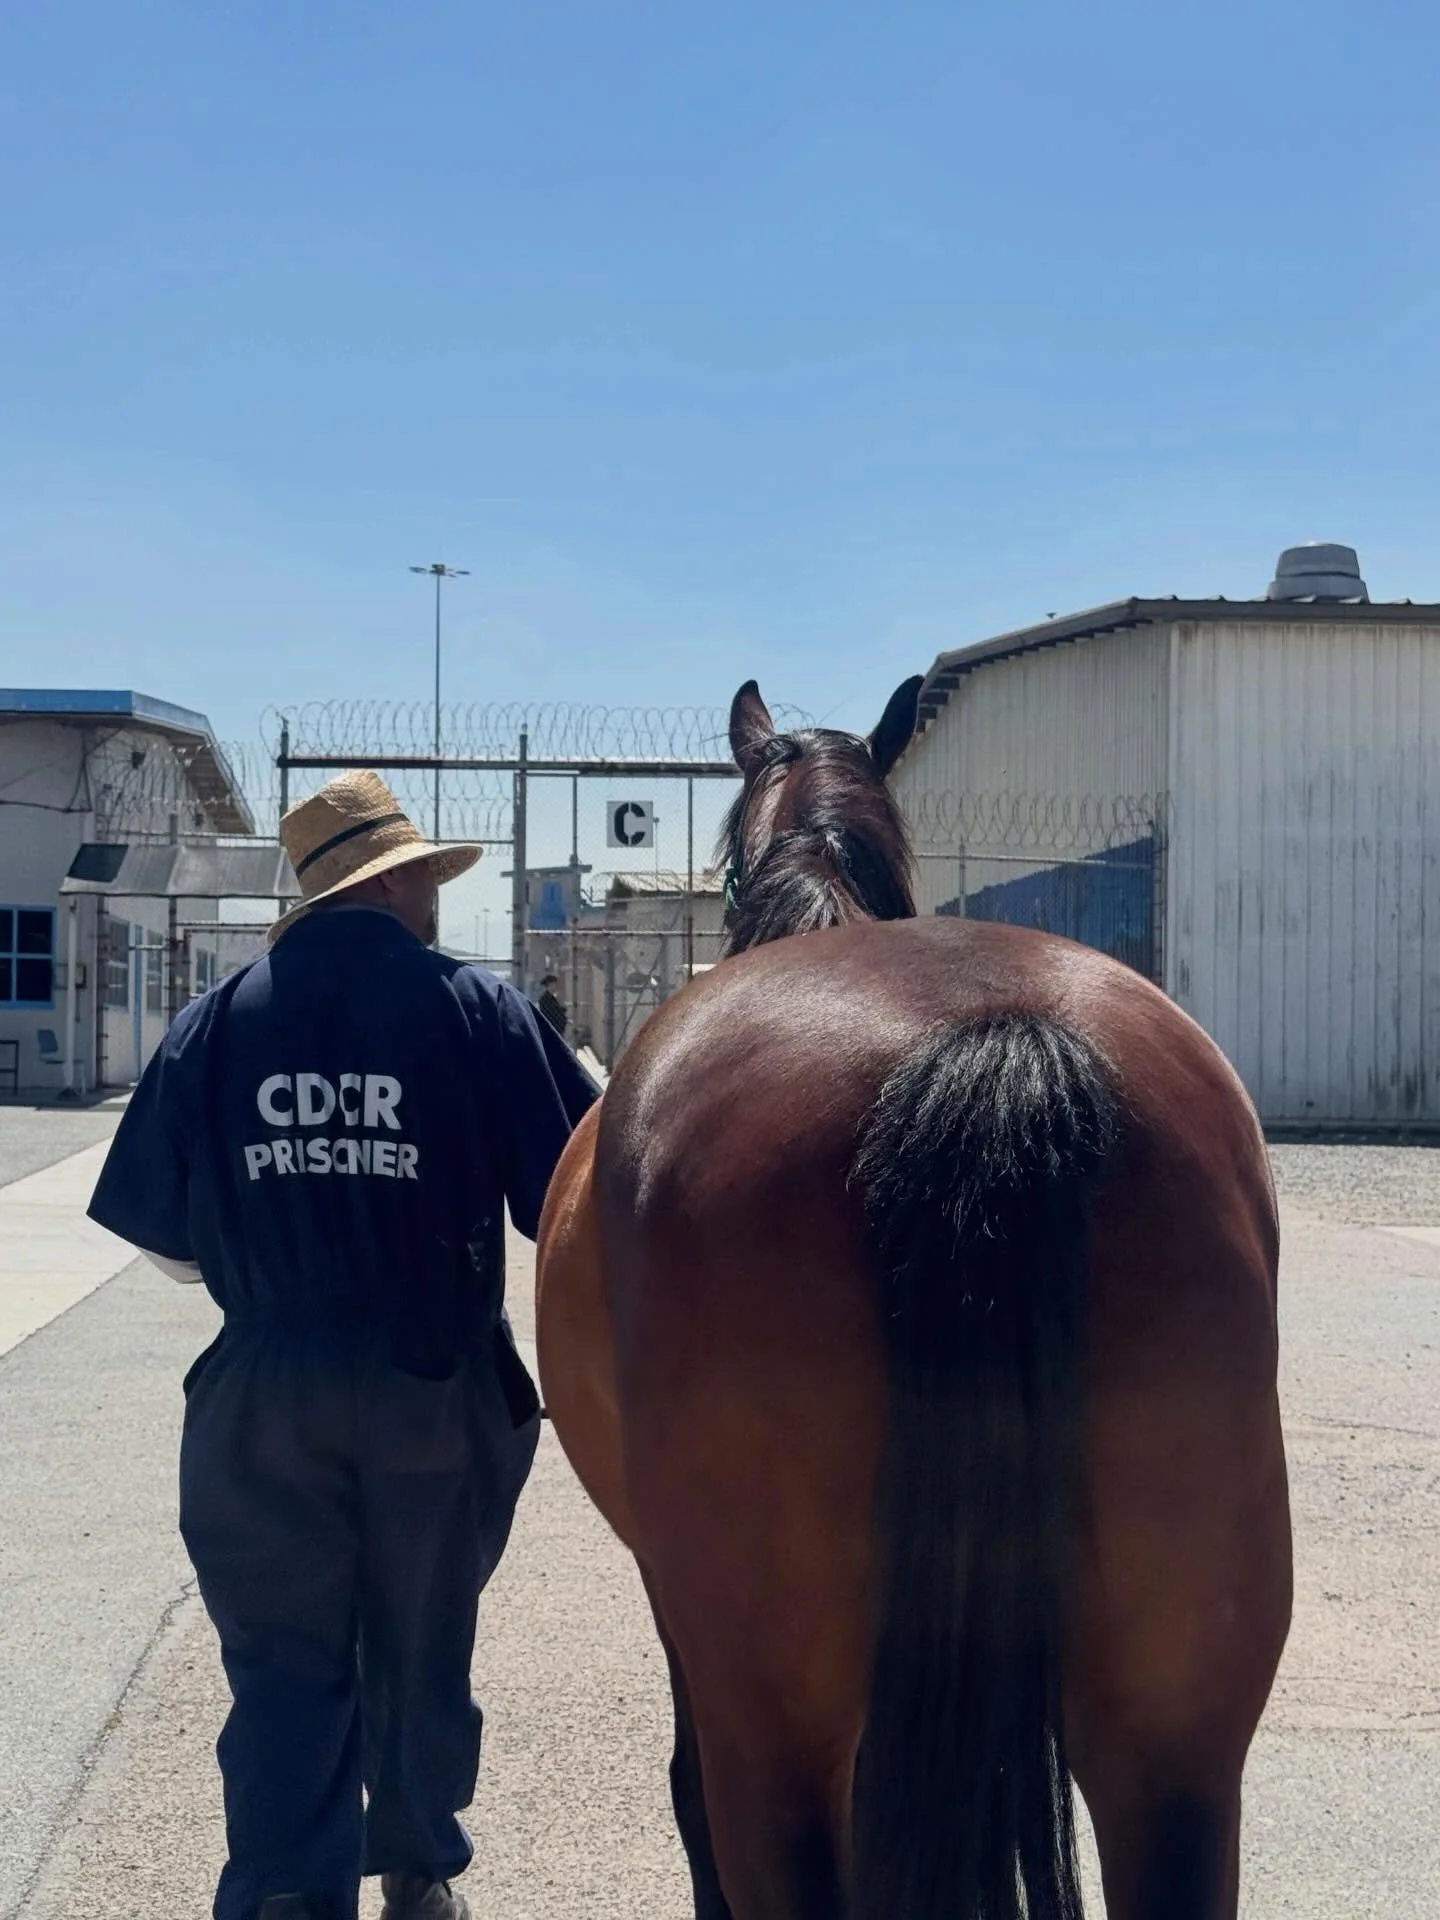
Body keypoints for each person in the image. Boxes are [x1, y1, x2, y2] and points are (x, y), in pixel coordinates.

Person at [88, 771, 598, 1920]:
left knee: (279, 1662)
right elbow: (573, 1199)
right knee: (422, 1644)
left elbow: (165, 1249)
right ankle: (417, 1870)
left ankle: (282, 1896)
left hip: (264, 1393)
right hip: (433, 1382)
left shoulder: (215, 1022)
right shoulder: (478, 1009)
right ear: (405, 879)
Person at [536, 973, 567, 1041]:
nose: (556, 986)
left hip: (554, 1032)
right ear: (550, 984)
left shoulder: (551, 998)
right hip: (551, 1033)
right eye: (555, 984)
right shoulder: (545, 999)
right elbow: (551, 1015)